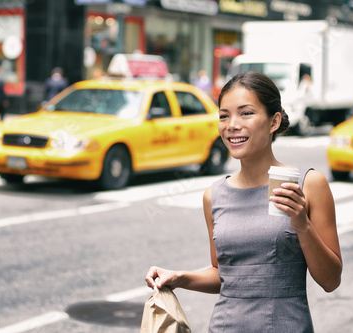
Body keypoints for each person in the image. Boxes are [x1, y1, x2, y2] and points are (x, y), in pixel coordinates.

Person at [145, 71, 342, 332]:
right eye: (224, 115)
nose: (232, 125)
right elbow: (224, 275)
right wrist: (179, 277)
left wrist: (302, 224)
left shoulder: (309, 185)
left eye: (246, 113)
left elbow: (331, 280)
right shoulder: (213, 195)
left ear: (274, 121)